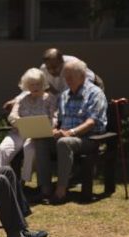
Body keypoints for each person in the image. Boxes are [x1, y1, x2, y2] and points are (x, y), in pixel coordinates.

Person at [36, 59, 107, 203]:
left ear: (82, 76)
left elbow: (91, 122)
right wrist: (55, 129)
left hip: (89, 139)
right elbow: (60, 120)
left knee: (64, 142)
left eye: (70, 77)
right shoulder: (65, 95)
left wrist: (71, 132)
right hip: (67, 136)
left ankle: (61, 192)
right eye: (65, 76)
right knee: (41, 139)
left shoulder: (94, 93)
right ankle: (45, 190)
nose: (67, 80)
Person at [0, 68, 57, 184]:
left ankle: (22, 182)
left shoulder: (50, 99)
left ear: (43, 84)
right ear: (27, 85)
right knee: (3, 149)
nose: (35, 87)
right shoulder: (22, 98)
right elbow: (12, 116)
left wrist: (48, 126)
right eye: (32, 84)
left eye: (38, 84)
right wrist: (19, 122)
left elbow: (54, 119)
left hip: (37, 135)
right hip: (19, 132)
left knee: (29, 148)